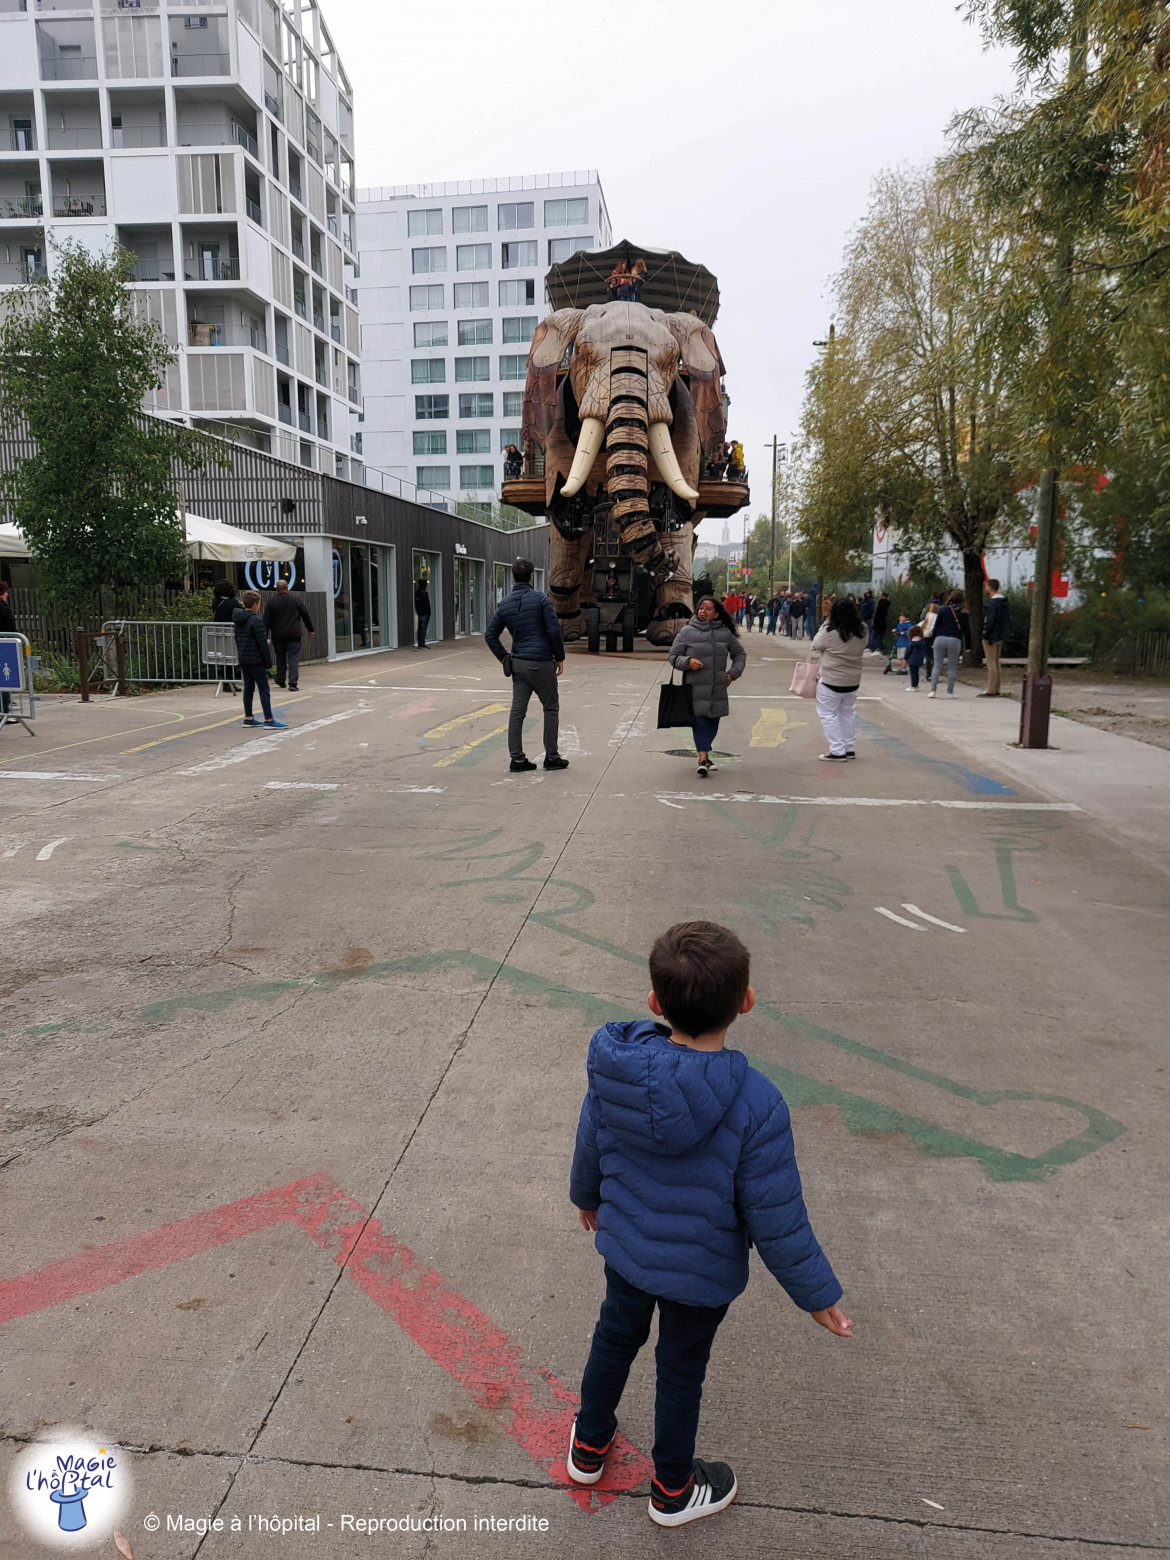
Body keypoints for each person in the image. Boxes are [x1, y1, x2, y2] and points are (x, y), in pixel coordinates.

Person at [567, 920, 851, 1528]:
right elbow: (778, 1216)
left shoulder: (617, 1073)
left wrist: (586, 1198)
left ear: (654, 1003)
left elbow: (590, 1141)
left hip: (626, 1250)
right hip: (700, 1273)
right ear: (746, 1003)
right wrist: (816, 1294)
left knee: (614, 1338)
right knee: (680, 1370)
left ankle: (589, 1445)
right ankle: (672, 1489)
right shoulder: (759, 1102)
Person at [485, 556, 568, 773]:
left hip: (519, 664)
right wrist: (559, 656)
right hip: (541, 662)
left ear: (514, 577)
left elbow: (490, 635)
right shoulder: (541, 599)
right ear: (531, 577)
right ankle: (551, 757)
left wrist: (505, 657)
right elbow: (553, 631)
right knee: (550, 708)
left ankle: (518, 759)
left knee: (517, 711)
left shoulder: (505, 605)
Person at [667, 594, 745, 778]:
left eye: (708, 609)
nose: (703, 611)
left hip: (718, 688)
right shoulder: (687, 632)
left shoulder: (725, 634)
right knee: (699, 721)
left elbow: (740, 655)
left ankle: (705, 753)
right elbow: (673, 656)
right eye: (701, 608)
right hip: (694, 688)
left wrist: (732, 674)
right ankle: (702, 759)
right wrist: (688, 662)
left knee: (712, 724)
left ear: (716, 614)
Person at [810, 595, 866, 761]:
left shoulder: (829, 632)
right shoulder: (862, 630)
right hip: (853, 680)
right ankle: (849, 748)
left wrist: (826, 623)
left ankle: (837, 750)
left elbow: (816, 645)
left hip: (831, 679)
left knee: (828, 714)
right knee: (847, 713)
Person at [232, 590, 286, 728]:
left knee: (248, 688)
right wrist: (268, 663)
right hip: (256, 659)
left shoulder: (238, 620)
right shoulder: (256, 621)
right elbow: (262, 643)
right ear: (255, 605)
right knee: (263, 688)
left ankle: (248, 717)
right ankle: (269, 719)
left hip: (244, 657)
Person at [263, 580, 314, 691]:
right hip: (294, 634)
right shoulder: (295, 601)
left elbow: (266, 620)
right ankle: (293, 683)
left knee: (280, 658)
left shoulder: (271, 602)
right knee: (293, 658)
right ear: (287, 588)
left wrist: (265, 634)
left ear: (277, 589)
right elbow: (305, 615)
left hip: (278, 635)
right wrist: (310, 629)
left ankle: (281, 680)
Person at [928, 589, 971, 699]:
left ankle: (933, 690)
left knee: (937, 664)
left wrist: (933, 641)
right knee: (952, 667)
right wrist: (968, 645)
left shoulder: (943, 610)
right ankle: (950, 692)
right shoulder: (963, 613)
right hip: (954, 640)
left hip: (940, 638)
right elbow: (967, 631)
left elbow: (936, 626)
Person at [979, 578, 1010, 697]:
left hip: (991, 636)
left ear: (989, 587)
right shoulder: (1003, 602)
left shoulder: (993, 603)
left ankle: (991, 688)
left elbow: (990, 620)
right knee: (996, 662)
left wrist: (985, 634)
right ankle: (997, 687)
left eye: (986, 586)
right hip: (999, 635)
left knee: (990, 663)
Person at [0, 580, 15, 716]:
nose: (7, 595)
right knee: (4, 682)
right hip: (4, 648)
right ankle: (4, 712)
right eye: (6, 592)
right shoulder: (3, 609)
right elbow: (11, 629)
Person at [905, 625, 927, 690]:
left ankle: (913, 686)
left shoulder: (912, 642)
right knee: (916, 673)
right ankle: (916, 685)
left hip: (912, 659)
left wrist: (906, 657)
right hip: (919, 659)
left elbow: (908, 651)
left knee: (913, 673)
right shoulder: (922, 642)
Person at [870, 589, 890, 653]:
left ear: (882, 596)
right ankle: (881, 648)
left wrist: (874, 620)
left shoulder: (880, 602)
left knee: (873, 635)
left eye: (880, 595)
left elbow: (878, 613)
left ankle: (876, 648)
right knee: (880, 636)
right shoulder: (886, 603)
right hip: (883, 622)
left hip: (878, 622)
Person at [414, 575, 431, 650]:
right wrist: (428, 612)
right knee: (423, 628)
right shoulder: (424, 593)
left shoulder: (417, 593)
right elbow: (426, 604)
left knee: (420, 627)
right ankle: (422, 643)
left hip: (419, 612)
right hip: (424, 613)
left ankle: (419, 643)